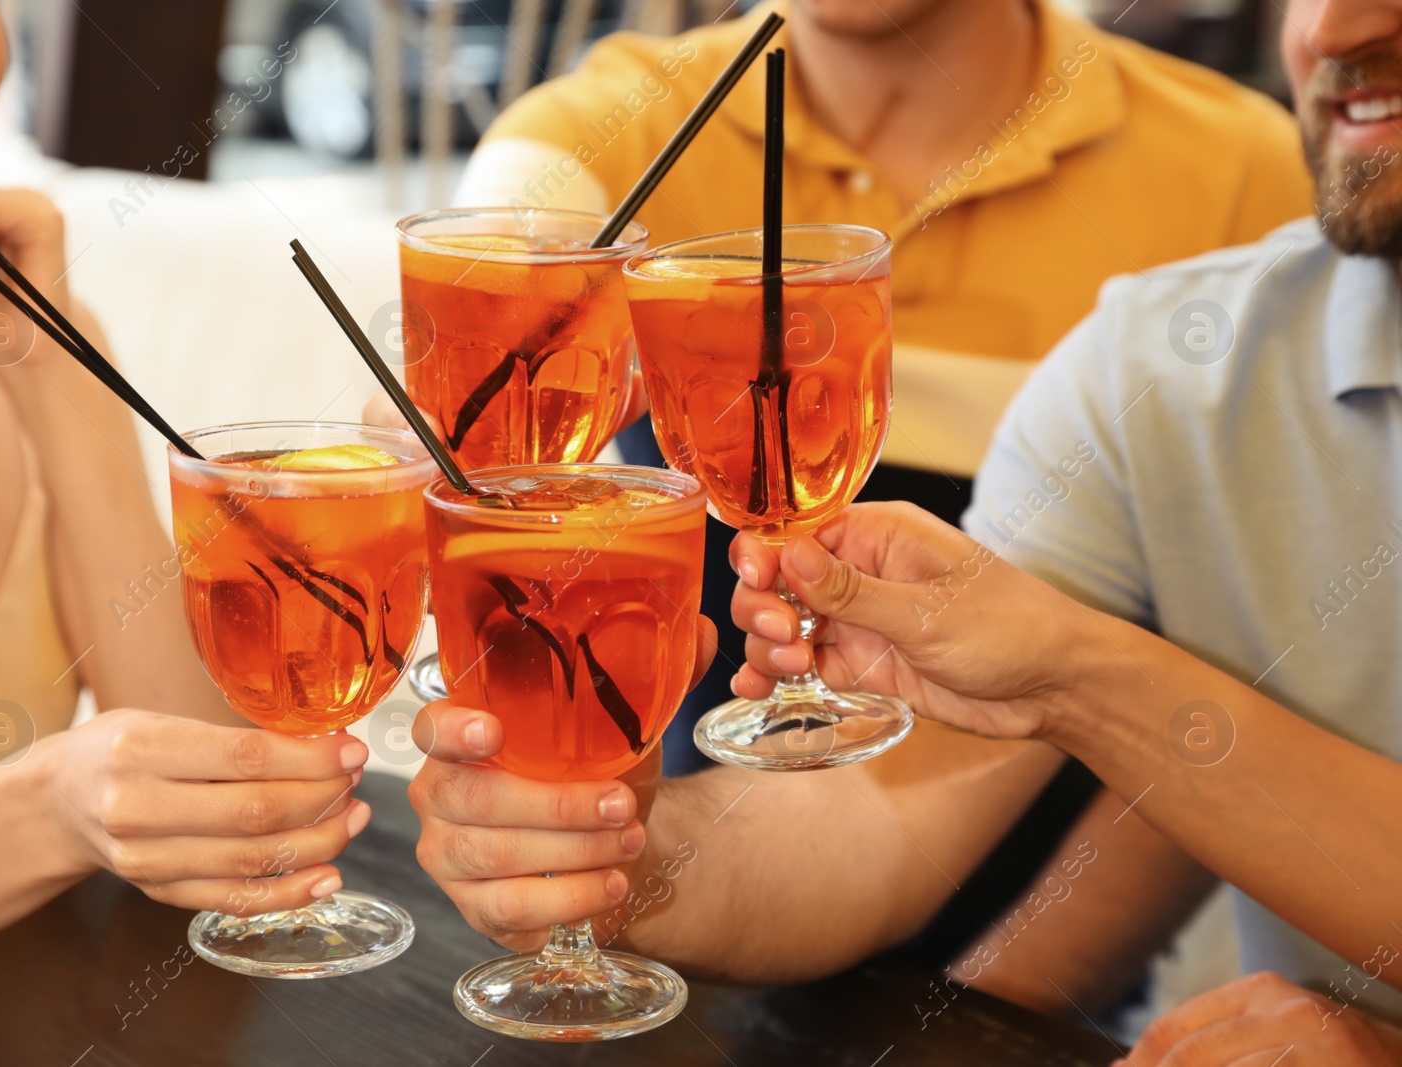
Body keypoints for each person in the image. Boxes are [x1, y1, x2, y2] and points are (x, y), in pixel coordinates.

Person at [408, 0, 1402, 1050]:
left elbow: (1166, 749)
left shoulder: (1218, 189)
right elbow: (878, 822)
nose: (1333, 25)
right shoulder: (1154, 355)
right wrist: (612, 856)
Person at [453, 0, 1314, 772]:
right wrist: (468, 390)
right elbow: (499, 262)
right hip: (698, 835)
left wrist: (1040, 958)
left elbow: (1279, 646)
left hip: (1059, 879)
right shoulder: (616, 121)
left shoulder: (1245, 164)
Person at [0, 0, 364, 1018]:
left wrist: (63, 375)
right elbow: (91, 805)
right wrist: (44, 811)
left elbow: (222, 827)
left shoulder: (14, 340)